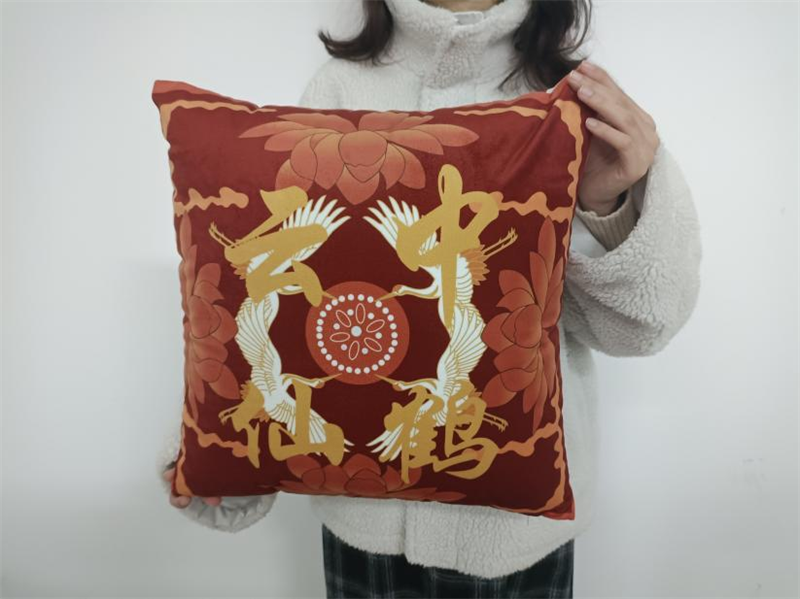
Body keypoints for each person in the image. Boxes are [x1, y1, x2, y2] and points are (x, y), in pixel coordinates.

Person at [159, 0, 702, 596]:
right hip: (360, 527)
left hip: (516, 537)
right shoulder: (339, 86)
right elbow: (253, 290)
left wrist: (607, 207)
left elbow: (644, 327)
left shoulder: (574, 104)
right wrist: (218, 446)